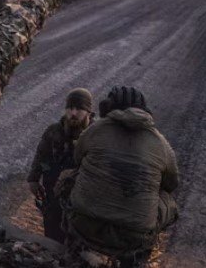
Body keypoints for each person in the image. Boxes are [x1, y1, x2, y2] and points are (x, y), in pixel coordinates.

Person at [66, 86, 179, 267]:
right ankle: (136, 259)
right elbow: (171, 183)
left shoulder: (95, 129)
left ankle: (75, 245)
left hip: (85, 227)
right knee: (169, 201)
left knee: (68, 177)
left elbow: (77, 159)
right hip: (133, 238)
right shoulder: (160, 142)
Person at [27, 88, 95, 243]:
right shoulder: (54, 131)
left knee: (77, 241)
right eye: (70, 108)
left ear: (89, 112)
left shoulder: (95, 135)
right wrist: (33, 179)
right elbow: (41, 155)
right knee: (52, 237)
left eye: (79, 109)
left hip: (81, 200)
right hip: (53, 196)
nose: (73, 113)